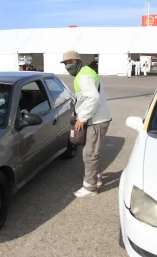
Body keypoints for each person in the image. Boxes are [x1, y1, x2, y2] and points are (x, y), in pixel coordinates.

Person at [60, 50, 112, 198]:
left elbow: (93, 98)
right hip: (97, 118)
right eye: (65, 63)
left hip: (95, 120)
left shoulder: (83, 75)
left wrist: (82, 118)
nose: (67, 66)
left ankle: (90, 187)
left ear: (78, 61)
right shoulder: (86, 71)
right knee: (95, 151)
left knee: (89, 154)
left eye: (70, 62)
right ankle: (97, 177)